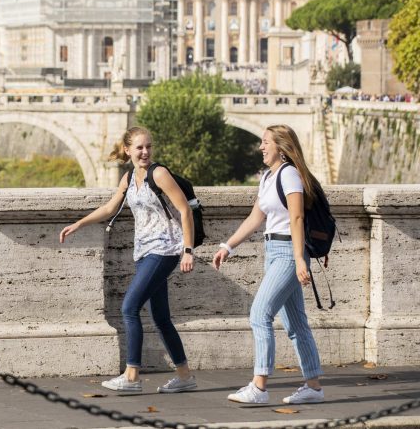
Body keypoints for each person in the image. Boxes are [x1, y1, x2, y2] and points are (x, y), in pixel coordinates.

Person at [59, 126, 197, 394]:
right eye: (139, 148)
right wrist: (79, 224)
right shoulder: (129, 176)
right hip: (143, 251)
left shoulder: (159, 173)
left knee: (128, 308)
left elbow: (184, 211)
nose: (145, 152)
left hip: (165, 249)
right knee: (162, 318)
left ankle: (132, 375)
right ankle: (184, 375)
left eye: (148, 147)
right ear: (128, 150)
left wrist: (188, 250)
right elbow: (110, 208)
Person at [213, 124, 324, 405]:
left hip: (289, 251)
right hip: (272, 249)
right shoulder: (267, 177)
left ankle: (259, 387)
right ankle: (314, 386)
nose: (261, 147)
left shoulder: (289, 175)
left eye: (265, 142)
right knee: (295, 323)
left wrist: (300, 259)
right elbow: (255, 218)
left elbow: (297, 218)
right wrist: (228, 246)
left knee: (259, 313)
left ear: (281, 146)